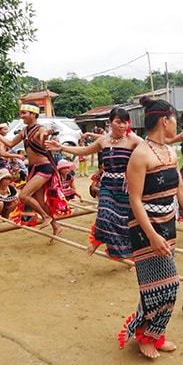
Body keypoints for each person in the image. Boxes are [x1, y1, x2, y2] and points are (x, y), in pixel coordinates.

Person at [118, 96, 183, 359]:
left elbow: (179, 190)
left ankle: (154, 335)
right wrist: (152, 235)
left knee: (158, 284)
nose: (176, 125)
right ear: (163, 121)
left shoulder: (169, 151)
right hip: (146, 228)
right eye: (174, 120)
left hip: (167, 224)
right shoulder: (141, 154)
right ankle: (145, 335)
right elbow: (134, 200)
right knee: (165, 284)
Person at [46, 107, 143, 261]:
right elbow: (84, 150)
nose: (122, 126)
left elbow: (149, 151)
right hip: (107, 185)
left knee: (126, 222)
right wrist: (62, 147)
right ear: (110, 123)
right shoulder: (103, 140)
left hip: (126, 186)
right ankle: (98, 241)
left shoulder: (134, 140)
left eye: (125, 122)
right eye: (118, 122)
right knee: (104, 215)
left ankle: (132, 256)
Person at [0, 102, 66, 237]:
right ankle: (56, 225)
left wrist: (46, 135)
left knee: (24, 196)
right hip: (34, 168)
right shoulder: (24, 130)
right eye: (21, 113)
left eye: (24, 113)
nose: (21, 116)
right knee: (40, 201)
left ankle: (45, 217)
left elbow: (43, 140)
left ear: (33, 114)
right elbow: (10, 143)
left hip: (44, 168)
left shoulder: (40, 129)